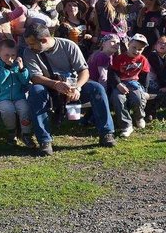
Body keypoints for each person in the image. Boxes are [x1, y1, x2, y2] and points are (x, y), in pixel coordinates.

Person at [21, 22, 116, 155]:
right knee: (36, 91)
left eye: (32, 44)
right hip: (48, 87)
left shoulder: (68, 45)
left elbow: (84, 71)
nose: (29, 47)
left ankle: (107, 133)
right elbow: (35, 77)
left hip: (72, 86)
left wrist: (77, 87)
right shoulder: (29, 52)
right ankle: (44, 140)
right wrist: (55, 84)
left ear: (44, 40)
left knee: (97, 88)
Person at [0, 39, 34, 147]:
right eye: (6, 55)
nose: (10, 58)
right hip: (3, 98)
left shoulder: (17, 66)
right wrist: (7, 68)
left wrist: (22, 69)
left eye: (13, 55)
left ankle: (26, 133)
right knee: (8, 111)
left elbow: (25, 80)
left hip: (18, 96)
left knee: (24, 109)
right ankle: (12, 132)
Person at [107, 33, 151, 137]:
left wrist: (145, 90)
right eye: (134, 47)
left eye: (140, 49)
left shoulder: (142, 59)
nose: (136, 51)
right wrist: (118, 84)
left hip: (134, 83)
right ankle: (126, 125)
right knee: (118, 99)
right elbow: (113, 73)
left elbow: (145, 75)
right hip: (120, 83)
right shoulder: (119, 58)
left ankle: (139, 117)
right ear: (129, 44)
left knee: (138, 98)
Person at [145, 36, 166, 121]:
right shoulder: (153, 55)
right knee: (155, 90)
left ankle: (153, 110)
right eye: (160, 43)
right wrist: (165, 85)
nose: (162, 45)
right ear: (156, 45)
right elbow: (159, 71)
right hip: (149, 80)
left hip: (158, 80)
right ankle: (149, 112)